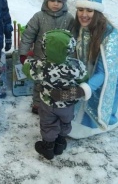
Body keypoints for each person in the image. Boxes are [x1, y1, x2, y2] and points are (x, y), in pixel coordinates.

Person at [52, 0, 118, 139]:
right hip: (88, 75)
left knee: (90, 114)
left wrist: (80, 91)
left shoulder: (110, 34)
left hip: (107, 78)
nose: (83, 14)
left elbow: (105, 72)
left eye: (89, 10)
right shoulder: (77, 27)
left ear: (97, 12)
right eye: (80, 9)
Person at [22, 29, 91, 160]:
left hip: (48, 103)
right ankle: (60, 142)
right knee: (65, 121)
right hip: (68, 104)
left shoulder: (40, 66)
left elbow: (26, 69)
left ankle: (48, 147)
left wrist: (29, 58)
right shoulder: (76, 66)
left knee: (48, 123)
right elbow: (84, 77)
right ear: (70, 48)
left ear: (44, 47)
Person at [18, 0, 74, 114]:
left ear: (64, 2)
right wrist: (23, 53)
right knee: (39, 82)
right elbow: (28, 34)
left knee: (59, 82)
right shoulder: (39, 17)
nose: (56, 4)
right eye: (52, 0)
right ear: (46, 0)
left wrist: (71, 57)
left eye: (59, 1)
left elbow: (73, 39)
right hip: (41, 58)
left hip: (62, 61)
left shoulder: (69, 19)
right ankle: (37, 104)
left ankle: (57, 104)